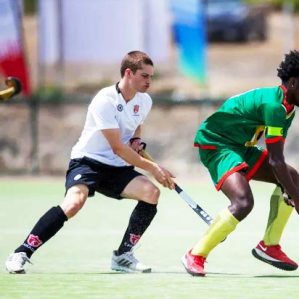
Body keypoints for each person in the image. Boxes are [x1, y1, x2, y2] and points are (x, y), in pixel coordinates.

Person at [5, 51, 175, 274]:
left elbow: (135, 127)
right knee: (74, 203)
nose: (149, 82)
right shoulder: (105, 100)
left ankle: (123, 256)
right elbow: (117, 147)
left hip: (117, 167)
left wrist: (136, 138)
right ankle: (22, 252)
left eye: (151, 77)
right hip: (88, 162)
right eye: (145, 76)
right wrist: (153, 168)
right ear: (128, 73)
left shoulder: (145, 101)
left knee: (151, 193)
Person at [181, 50, 299, 276]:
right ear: (293, 83)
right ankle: (196, 254)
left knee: (291, 178)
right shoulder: (274, 106)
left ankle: (270, 246)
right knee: (243, 201)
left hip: (241, 146)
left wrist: (292, 192)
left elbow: (278, 159)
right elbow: (276, 161)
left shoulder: (287, 108)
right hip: (217, 144)